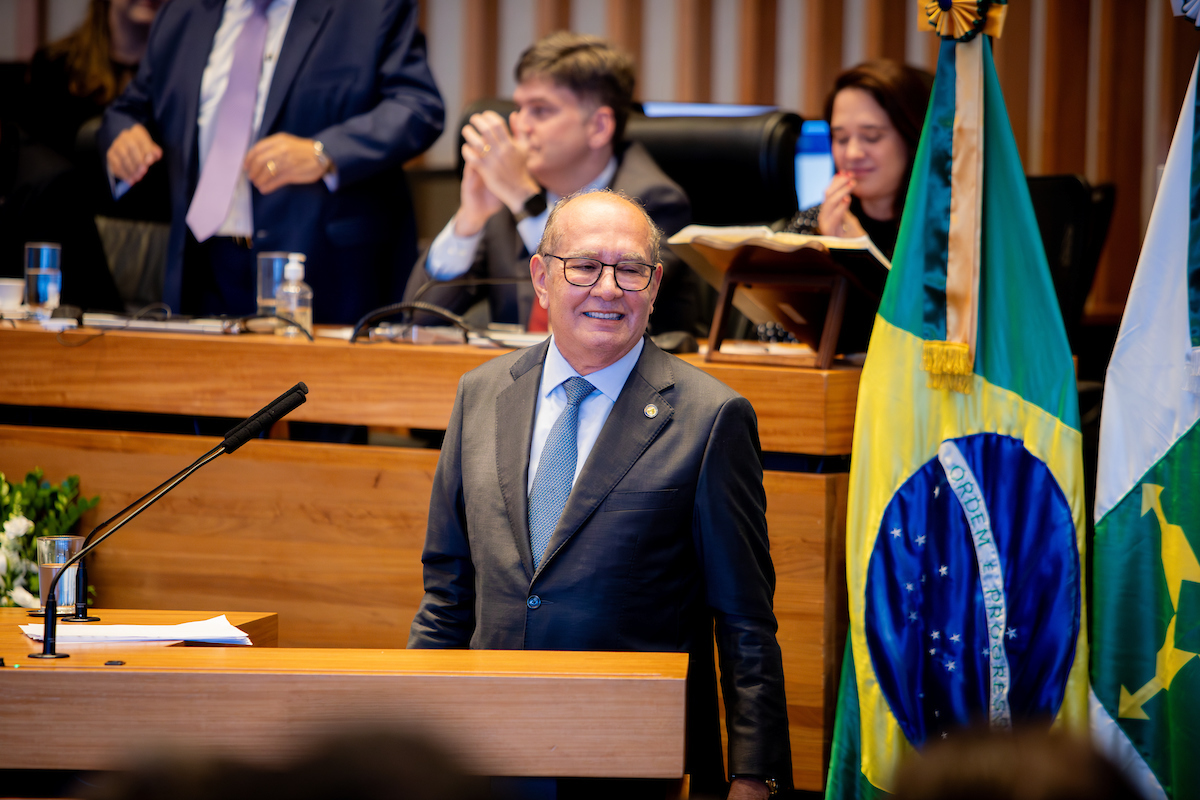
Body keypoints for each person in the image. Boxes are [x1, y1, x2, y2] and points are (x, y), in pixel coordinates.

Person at [408, 190, 791, 800]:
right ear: (541, 277)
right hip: (486, 751)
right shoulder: (479, 395)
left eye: (630, 269)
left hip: (631, 759)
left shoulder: (711, 418)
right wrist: (410, 740)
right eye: (584, 266)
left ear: (655, 285)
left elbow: (745, 620)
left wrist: (755, 774)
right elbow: (448, 594)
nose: (608, 288)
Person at [99, 0, 445, 324]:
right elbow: (128, 109)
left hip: (320, 269)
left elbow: (417, 107)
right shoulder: (184, 11)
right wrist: (123, 136)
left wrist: (324, 152)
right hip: (201, 266)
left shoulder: (368, 9)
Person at [403, 31, 700, 337]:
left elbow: (614, 323)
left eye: (541, 110)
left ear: (598, 127)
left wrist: (524, 200)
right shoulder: (508, 199)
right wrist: (470, 217)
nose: (520, 125)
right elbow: (417, 317)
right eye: (519, 109)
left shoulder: (651, 203)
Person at [781, 59, 933, 262]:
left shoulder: (946, 231)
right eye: (841, 139)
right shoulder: (812, 222)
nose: (852, 154)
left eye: (872, 137)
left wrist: (860, 257)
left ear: (914, 139)